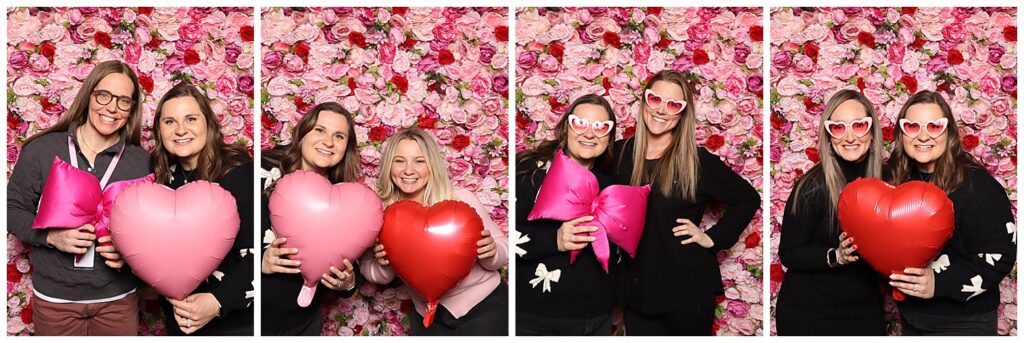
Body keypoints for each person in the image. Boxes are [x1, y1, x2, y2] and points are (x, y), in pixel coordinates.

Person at [7, 60, 150, 335]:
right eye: (104, 95)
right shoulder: (42, 149)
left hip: (117, 301)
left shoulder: (140, 161)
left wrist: (129, 253)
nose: (112, 108)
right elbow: (11, 208)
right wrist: (50, 237)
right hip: (56, 302)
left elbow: (149, 230)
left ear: (132, 109)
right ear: (89, 95)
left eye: (123, 101)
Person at [615, 70, 760, 335]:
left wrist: (713, 238)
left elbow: (748, 198)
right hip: (638, 292)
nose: (661, 110)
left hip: (688, 291)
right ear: (644, 101)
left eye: (673, 104)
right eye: (655, 99)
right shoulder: (619, 154)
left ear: (683, 113)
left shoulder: (697, 162)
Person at [886, 91, 1016, 335]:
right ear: (901, 133)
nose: (923, 136)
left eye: (934, 126)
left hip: (965, 322)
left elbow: (1001, 255)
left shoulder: (977, 185)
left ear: (949, 132)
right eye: (912, 126)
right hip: (913, 317)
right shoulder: (895, 178)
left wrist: (939, 283)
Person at [361, 129, 508, 335]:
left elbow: (503, 249)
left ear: (431, 164)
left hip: (486, 305)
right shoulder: (380, 214)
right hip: (428, 315)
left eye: (419, 161)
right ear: (388, 165)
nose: (408, 170)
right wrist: (384, 264)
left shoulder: (461, 198)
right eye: (399, 161)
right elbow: (367, 266)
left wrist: (491, 253)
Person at [775, 89, 886, 335]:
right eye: (838, 128)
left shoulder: (888, 181)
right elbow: (789, 253)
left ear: (872, 131)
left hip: (864, 311)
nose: (849, 137)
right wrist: (837, 256)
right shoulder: (812, 185)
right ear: (829, 136)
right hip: (809, 314)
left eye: (859, 125)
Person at [150, 83, 254, 335]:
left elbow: (259, 254)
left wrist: (217, 302)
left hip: (232, 324)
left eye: (191, 119)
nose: (181, 129)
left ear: (208, 124)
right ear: (159, 131)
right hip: (178, 321)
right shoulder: (159, 178)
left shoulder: (239, 174)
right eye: (170, 122)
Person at [515, 94, 620, 335]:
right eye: (580, 123)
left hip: (597, 317)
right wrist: (554, 240)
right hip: (538, 319)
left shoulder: (613, 180)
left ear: (609, 137)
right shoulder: (531, 171)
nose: (589, 134)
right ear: (566, 127)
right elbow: (507, 237)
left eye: (600, 127)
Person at [260, 102, 362, 335]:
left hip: (302, 324)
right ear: (302, 133)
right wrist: (260, 262)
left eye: (339, 136)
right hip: (250, 320)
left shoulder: (344, 197)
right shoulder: (261, 173)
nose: (328, 142)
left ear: (346, 147)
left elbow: (351, 261)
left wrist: (348, 283)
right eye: (320, 130)